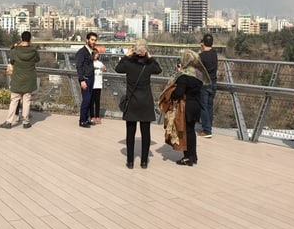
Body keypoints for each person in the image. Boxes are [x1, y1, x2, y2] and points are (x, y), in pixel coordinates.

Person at [115, 39, 162, 169]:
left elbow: (118, 68)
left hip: (132, 103)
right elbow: (159, 70)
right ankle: (144, 162)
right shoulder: (149, 65)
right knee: (145, 133)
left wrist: (126, 55)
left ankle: (130, 161)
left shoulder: (129, 64)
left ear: (135, 50)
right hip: (146, 102)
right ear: (145, 51)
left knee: (130, 133)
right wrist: (151, 58)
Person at [170, 50, 210, 166]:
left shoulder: (184, 76)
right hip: (196, 106)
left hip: (186, 107)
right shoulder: (199, 74)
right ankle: (193, 156)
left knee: (186, 132)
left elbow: (178, 92)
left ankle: (187, 157)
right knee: (191, 131)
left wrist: (178, 73)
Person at [0, 31, 40, 129]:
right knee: (26, 100)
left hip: (17, 78)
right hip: (29, 79)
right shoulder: (33, 51)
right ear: (30, 39)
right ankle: (26, 122)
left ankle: (9, 122)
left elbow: (12, 61)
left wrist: (14, 47)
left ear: (22, 38)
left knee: (14, 100)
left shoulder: (16, 51)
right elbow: (37, 60)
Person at [75, 32, 97, 128]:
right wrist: (82, 80)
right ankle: (82, 121)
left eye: (95, 40)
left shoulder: (90, 51)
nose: (94, 42)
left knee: (89, 100)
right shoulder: (82, 52)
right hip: (85, 79)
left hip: (91, 78)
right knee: (86, 100)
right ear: (87, 40)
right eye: (92, 40)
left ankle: (87, 119)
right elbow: (79, 66)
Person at [198, 34, 218, 138]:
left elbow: (197, 69)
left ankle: (206, 130)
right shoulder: (214, 54)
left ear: (203, 43)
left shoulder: (201, 56)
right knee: (210, 106)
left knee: (203, 106)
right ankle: (209, 127)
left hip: (204, 83)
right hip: (213, 82)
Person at [89, 49, 106, 124]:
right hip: (92, 84)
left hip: (98, 84)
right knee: (91, 101)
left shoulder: (100, 63)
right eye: (95, 54)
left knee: (97, 101)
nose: (97, 55)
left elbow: (103, 68)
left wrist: (103, 68)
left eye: (97, 54)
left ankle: (97, 116)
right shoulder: (90, 63)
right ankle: (92, 116)